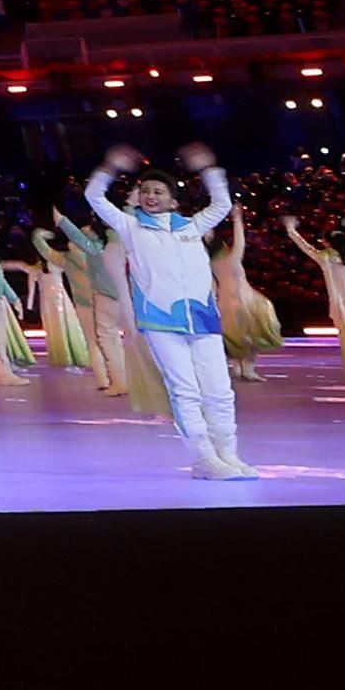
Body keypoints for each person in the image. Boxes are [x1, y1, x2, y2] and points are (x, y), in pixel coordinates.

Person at [88, 150, 260, 479]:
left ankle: (229, 453)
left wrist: (209, 169)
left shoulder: (192, 226)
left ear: (173, 199)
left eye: (159, 192)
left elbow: (222, 204)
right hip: (160, 321)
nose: (151, 197)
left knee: (220, 390)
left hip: (203, 319)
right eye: (146, 191)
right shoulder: (130, 226)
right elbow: (94, 196)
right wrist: (110, 168)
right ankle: (204, 459)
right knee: (186, 391)